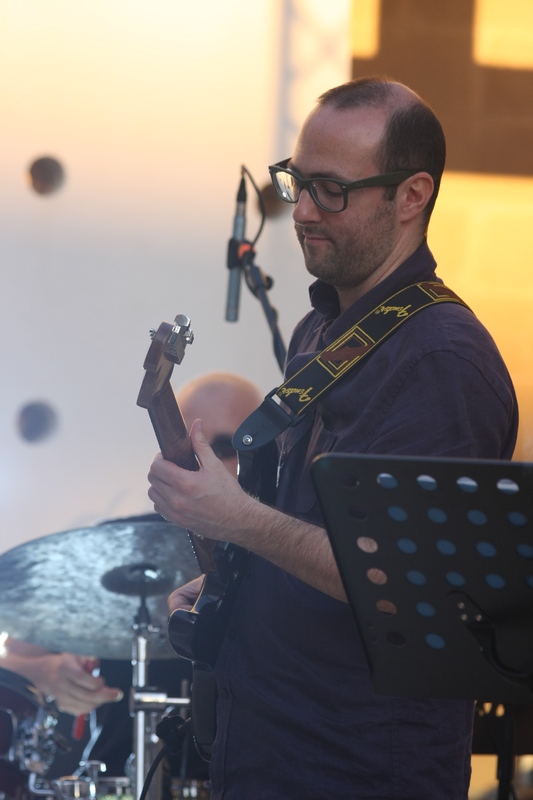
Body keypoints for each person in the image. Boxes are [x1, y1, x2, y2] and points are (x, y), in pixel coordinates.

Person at [147, 77, 519, 800]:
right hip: (271, 745)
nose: (303, 211)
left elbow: (408, 581)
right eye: (297, 180)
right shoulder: (322, 331)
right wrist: (239, 577)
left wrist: (238, 520)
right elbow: (316, 535)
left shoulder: (441, 360)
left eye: (332, 190)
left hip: (360, 764)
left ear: (411, 196)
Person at [1, 372, 263, 784]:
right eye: (194, 450)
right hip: (122, 784)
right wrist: (47, 674)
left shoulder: (286, 553)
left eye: (231, 447)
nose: (212, 464)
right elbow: (9, 660)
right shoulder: (114, 551)